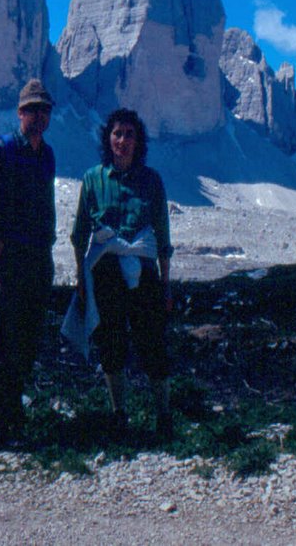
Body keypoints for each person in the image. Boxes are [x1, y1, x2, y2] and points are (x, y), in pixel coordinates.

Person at [70, 108, 174, 440]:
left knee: (152, 341)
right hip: (105, 273)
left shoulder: (152, 180)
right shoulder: (92, 179)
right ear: (108, 139)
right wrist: (79, 279)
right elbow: (79, 233)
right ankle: (119, 413)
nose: (123, 140)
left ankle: (163, 413)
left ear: (138, 140)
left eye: (129, 134)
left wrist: (166, 283)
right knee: (111, 343)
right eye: (117, 133)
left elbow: (162, 235)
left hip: (143, 271)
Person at [0, 79, 56, 450]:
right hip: (6, 260)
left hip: (35, 259)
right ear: (20, 113)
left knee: (25, 338)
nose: (38, 115)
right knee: (1, 337)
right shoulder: (1, 151)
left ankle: (13, 419)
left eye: (44, 110)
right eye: (32, 109)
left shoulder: (46, 155)